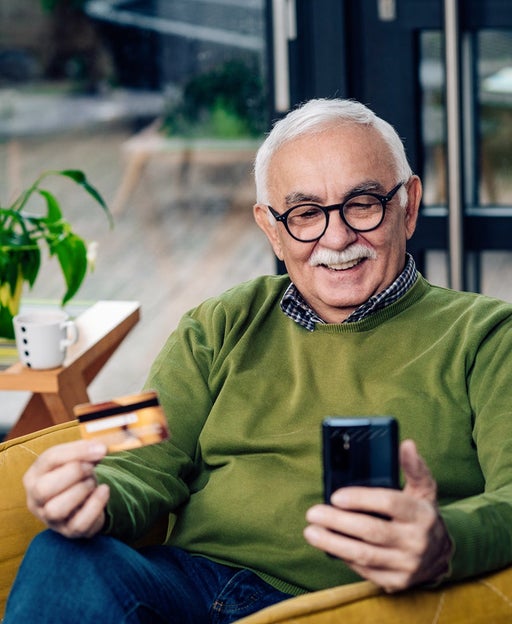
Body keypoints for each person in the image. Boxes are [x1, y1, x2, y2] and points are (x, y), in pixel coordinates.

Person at [5, 98, 512, 623]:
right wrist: (89, 493)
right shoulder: (215, 323)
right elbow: (133, 449)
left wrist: (445, 541)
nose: (336, 238)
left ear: (408, 204)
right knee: (59, 553)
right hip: (186, 586)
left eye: (362, 204)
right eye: (305, 214)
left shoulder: (489, 336)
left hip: (347, 608)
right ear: (271, 228)